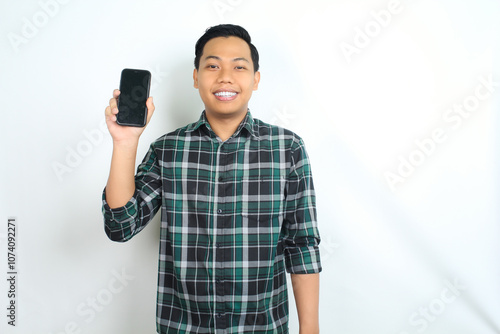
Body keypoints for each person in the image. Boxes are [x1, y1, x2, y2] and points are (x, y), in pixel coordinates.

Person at [102, 24, 321, 334]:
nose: (225, 76)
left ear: (255, 79)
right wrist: (125, 143)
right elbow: (120, 227)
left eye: (239, 66)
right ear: (196, 77)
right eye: (213, 65)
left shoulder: (287, 148)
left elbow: (302, 245)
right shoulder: (167, 150)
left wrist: (309, 329)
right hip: (183, 327)